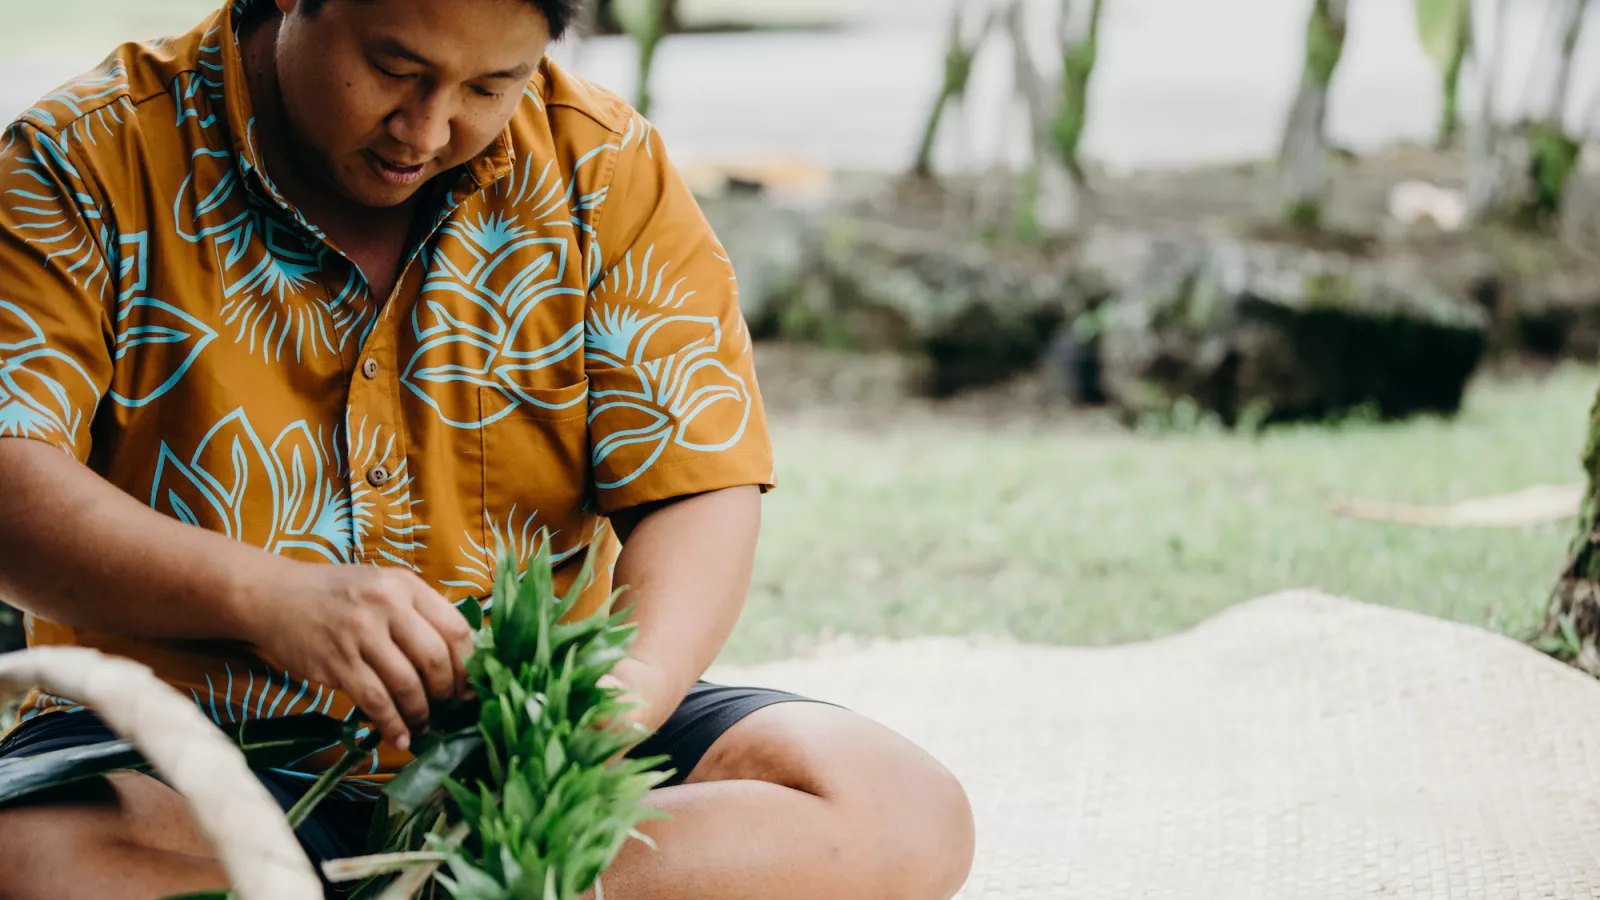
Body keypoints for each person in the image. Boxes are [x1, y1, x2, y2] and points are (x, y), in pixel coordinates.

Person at [0, 0, 976, 897]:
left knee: (892, 807)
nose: (425, 129)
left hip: (518, 736)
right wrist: (263, 598)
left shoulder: (605, 166)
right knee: (28, 861)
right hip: (185, 748)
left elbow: (697, 481)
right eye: (394, 68)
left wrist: (614, 706)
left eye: (487, 87)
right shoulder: (82, 158)